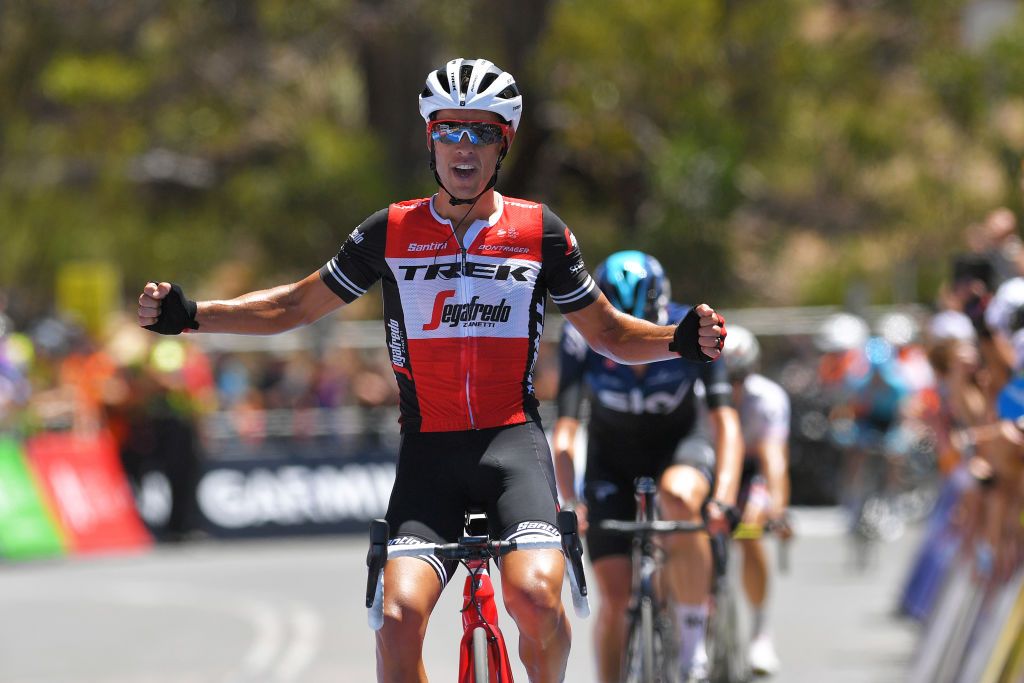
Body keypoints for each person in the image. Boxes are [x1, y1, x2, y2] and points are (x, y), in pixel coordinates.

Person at [137, 57, 727, 683]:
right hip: (428, 456)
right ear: (430, 137)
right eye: (450, 130)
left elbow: (608, 333)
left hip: (512, 447)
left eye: (481, 132)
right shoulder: (389, 231)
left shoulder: (539, 232)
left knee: (535, 600)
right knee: (397, 619)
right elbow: (295, 305)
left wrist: (677, 341)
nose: (463, 147)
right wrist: (194, 316)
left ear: (505, 142)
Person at [551, 251, 742, 683]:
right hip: (611, 458)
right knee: (616, 599)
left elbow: (724, 422)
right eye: (619, 329)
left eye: (643, 329)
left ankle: (693, 648)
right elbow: (564, 431)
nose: (629, 341)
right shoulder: (580, 335)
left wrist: (725, 498)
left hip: (679, 446)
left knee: (679, 496)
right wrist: (570, 500)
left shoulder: (694, 327)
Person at [719, 324, 792, 676]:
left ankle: (761, 630)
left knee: (749, 530)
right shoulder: (699, 394)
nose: (733, 386)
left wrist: (778, 508)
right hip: (711, 465)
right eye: (725, 377)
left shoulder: (768, 398)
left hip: (751, 470)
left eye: (740, 377)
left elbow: (774, 461)